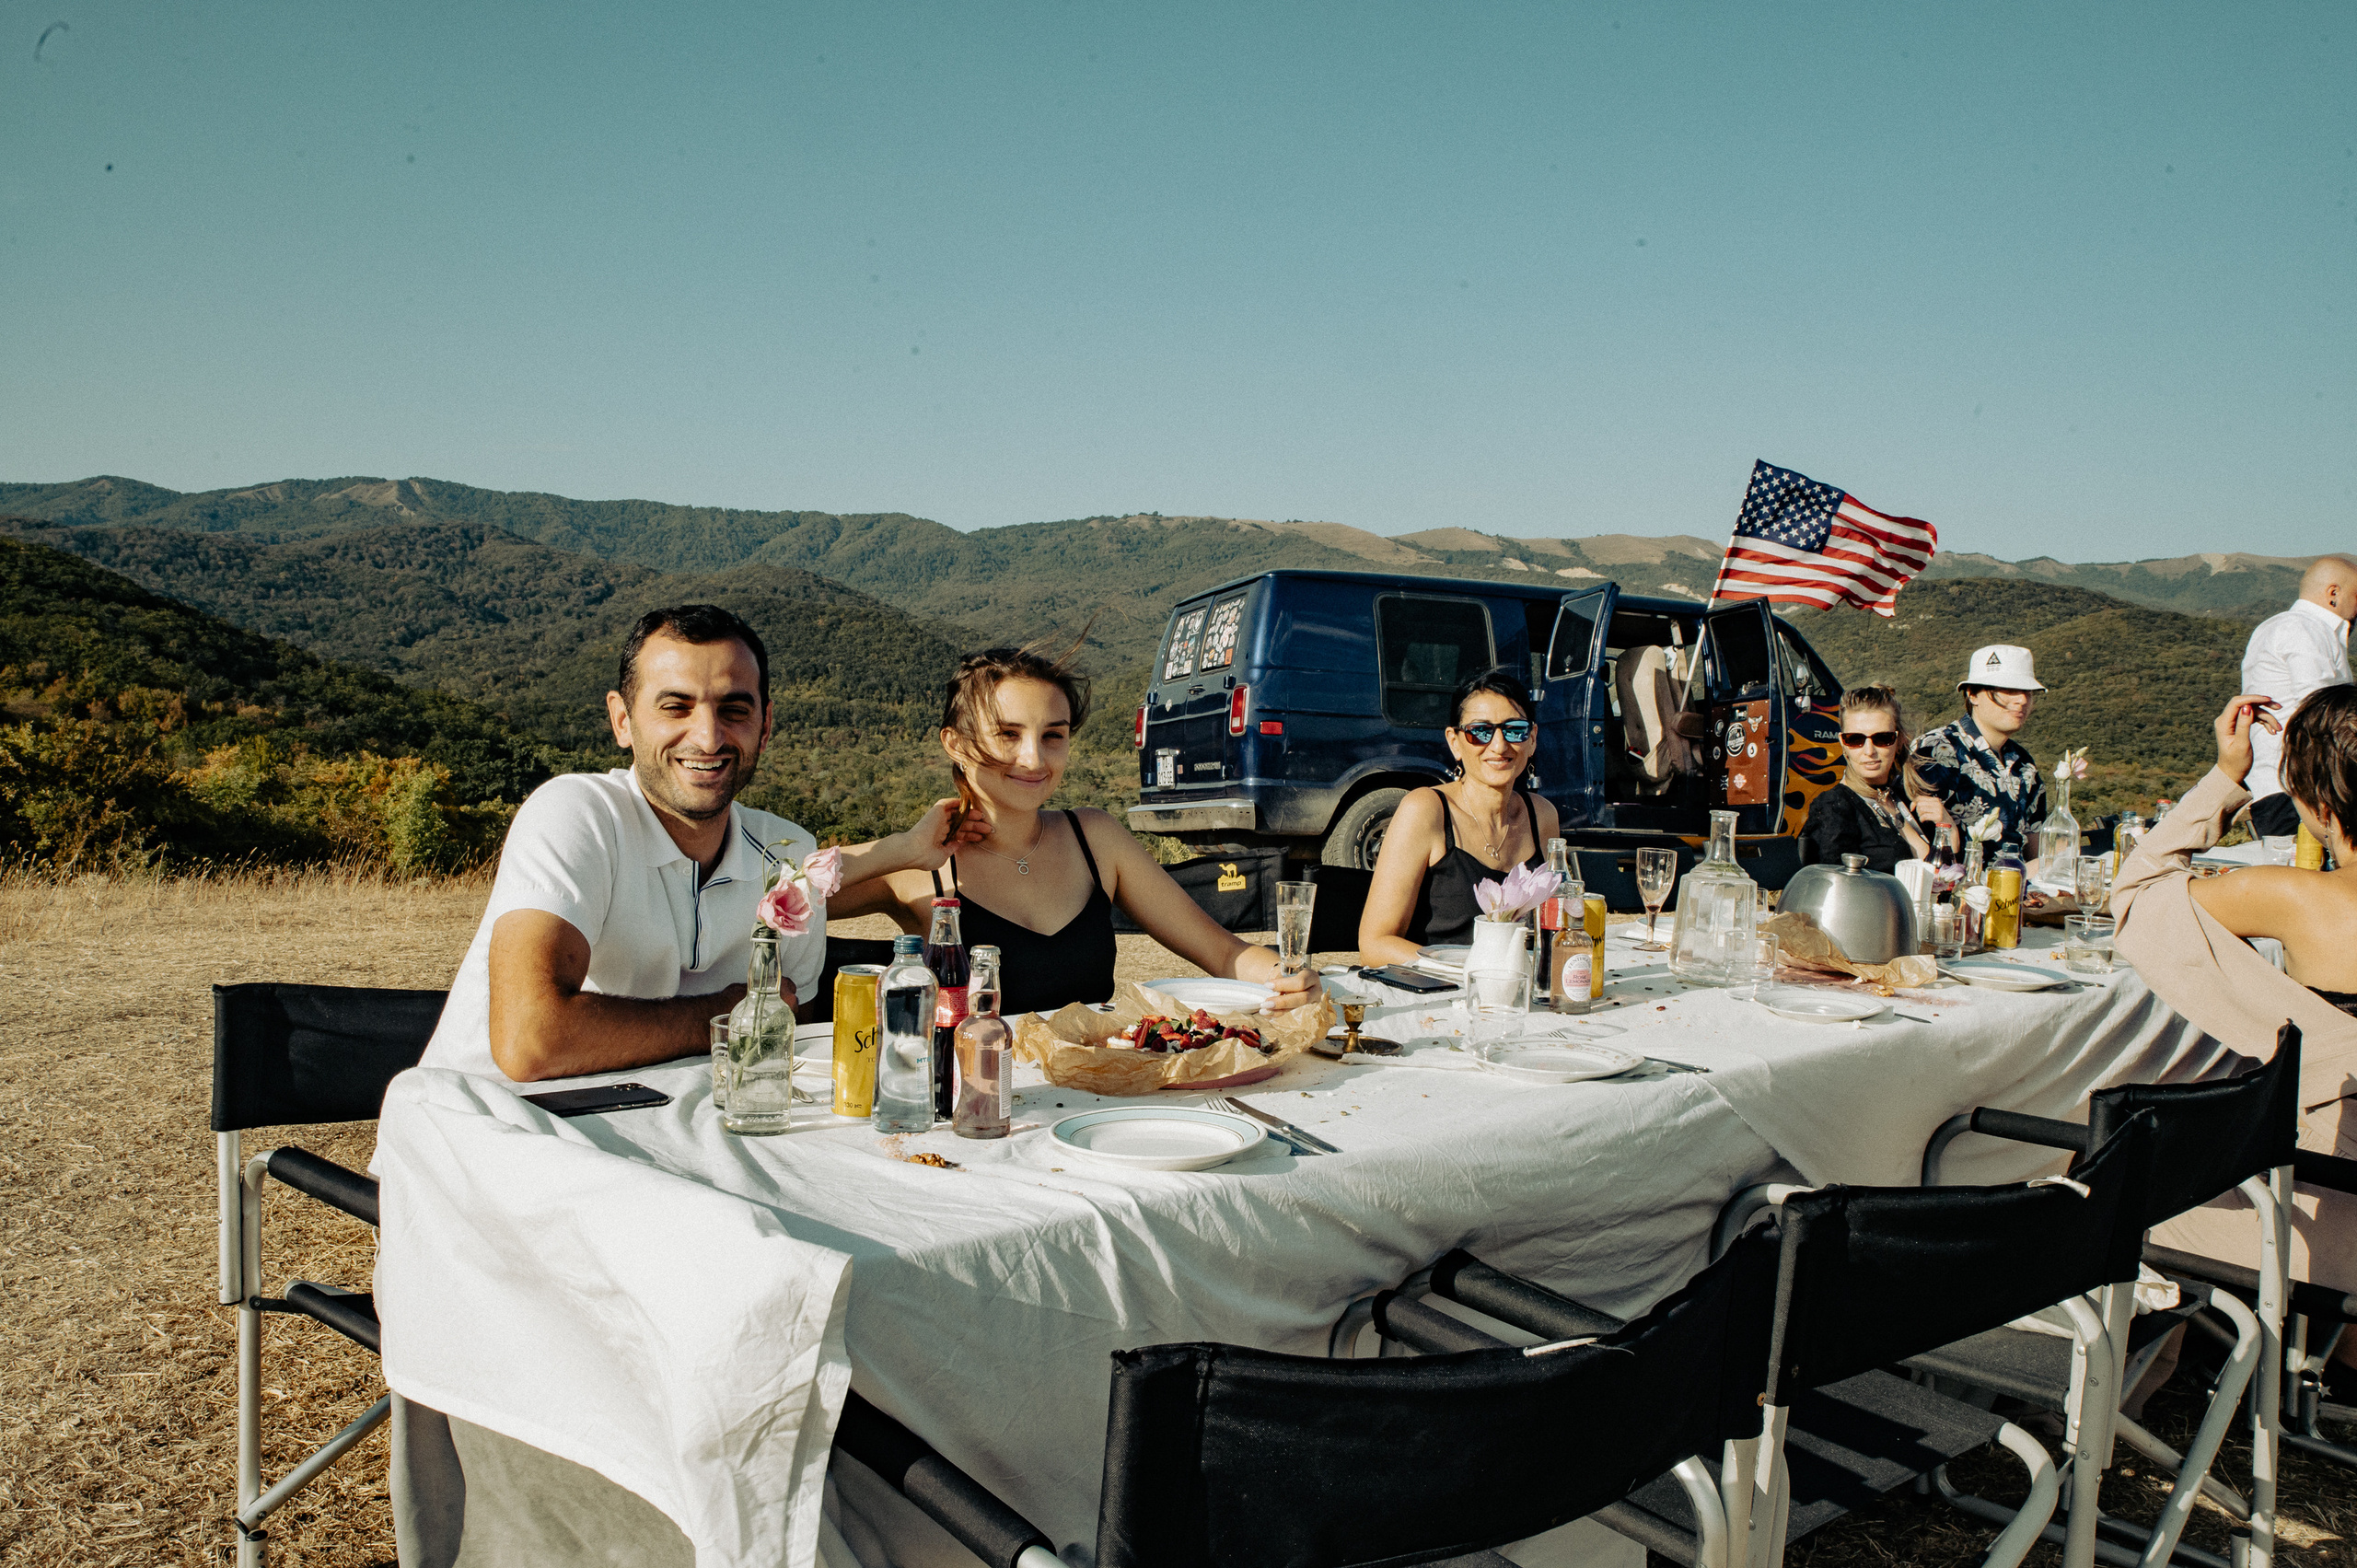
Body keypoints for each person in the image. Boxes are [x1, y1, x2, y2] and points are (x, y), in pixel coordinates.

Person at [422, 605, 970, 1085]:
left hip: (663, 1137)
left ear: (765, 723)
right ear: (622, 720)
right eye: (675, 707)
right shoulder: (578, 815)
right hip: (489, 1130)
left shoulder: (785, 856)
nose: (708, 738)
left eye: (734, 709)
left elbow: (777, 1046)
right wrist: (732, 1010)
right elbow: (531, 1041)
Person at [829, 642, 1318, 1016]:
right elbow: (769, 906)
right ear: (954, 743)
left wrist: (1287, 976)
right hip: (977, 1112)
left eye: (1053, 736)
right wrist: (898, 850)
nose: (1034, 759)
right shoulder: (914, 867)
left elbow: (1222, 951)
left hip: (1092, 1097)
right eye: (1007, 734)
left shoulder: (1096, 839)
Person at [2113, 685, 2357, 1303]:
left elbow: (2137, 895)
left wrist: (2227, 774)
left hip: (2331, 1222)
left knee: (2113, 1197)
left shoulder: (2302, 898)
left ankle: (2124, 1388)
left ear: (2317, 804)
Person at [1358, 669, 1562, 967]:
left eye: (1514, 730)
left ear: (1532, 739)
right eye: (1480, 731)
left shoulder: (1542, 816)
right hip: (1436, 997)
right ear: (1455, 741)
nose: (1499, 745)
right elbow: (1374, 945)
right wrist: (1470, 971)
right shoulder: (1426, 809)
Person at [2241, 555, 2357, 852]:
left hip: (2283, 789)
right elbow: (2324, 714)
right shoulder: (2305, 630)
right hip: (2298, 794)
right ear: (2334, 594)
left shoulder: (2283, 627)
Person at [1907, 644, 2049, 856]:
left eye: (2027, 691)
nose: (2021, 700)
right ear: (1972, 694)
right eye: (2008, 690)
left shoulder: (2024, 765)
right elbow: (1915, 842)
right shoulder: (1936, 751)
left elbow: (2036, 848)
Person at [1796, 685, 1933, 874]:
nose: (1869, 751)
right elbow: (1833, 887)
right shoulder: (1834, 807)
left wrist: (1948, 833)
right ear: (1843, 743)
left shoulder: (1905, 798)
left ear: (1899, 741)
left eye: (1882, 738)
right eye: (1855, 739)